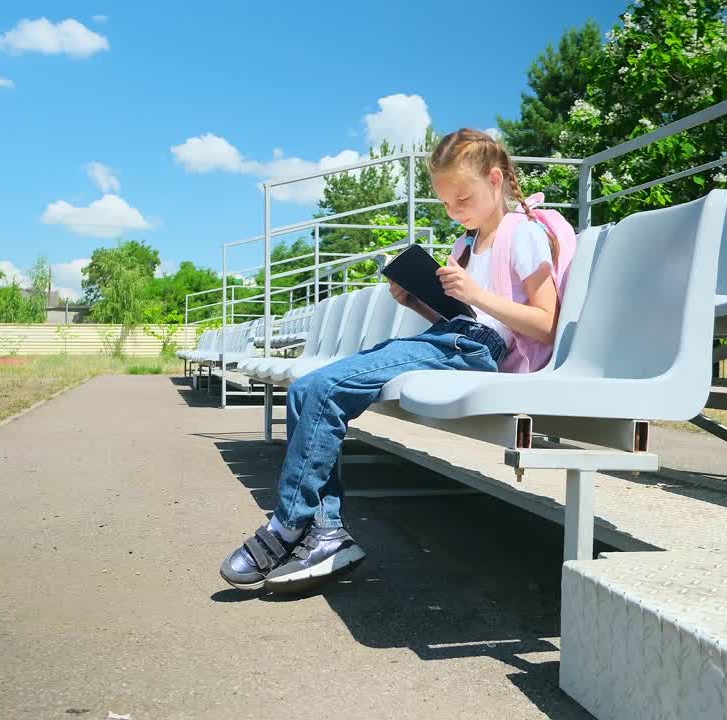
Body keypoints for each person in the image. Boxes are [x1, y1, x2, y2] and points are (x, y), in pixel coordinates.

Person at [220, 128, 569, 594]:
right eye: (445, 204)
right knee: (308, 388)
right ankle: (324, 532)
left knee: (325, 391)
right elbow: (459, 314)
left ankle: (288, 525)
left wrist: (475, 292)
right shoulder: (466, 246)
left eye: (462, 198)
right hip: (450, 337)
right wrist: (416, 303)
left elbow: (545, 323)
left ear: (496, 179)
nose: (455, 211)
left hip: (477, 350)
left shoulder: (522, 234)